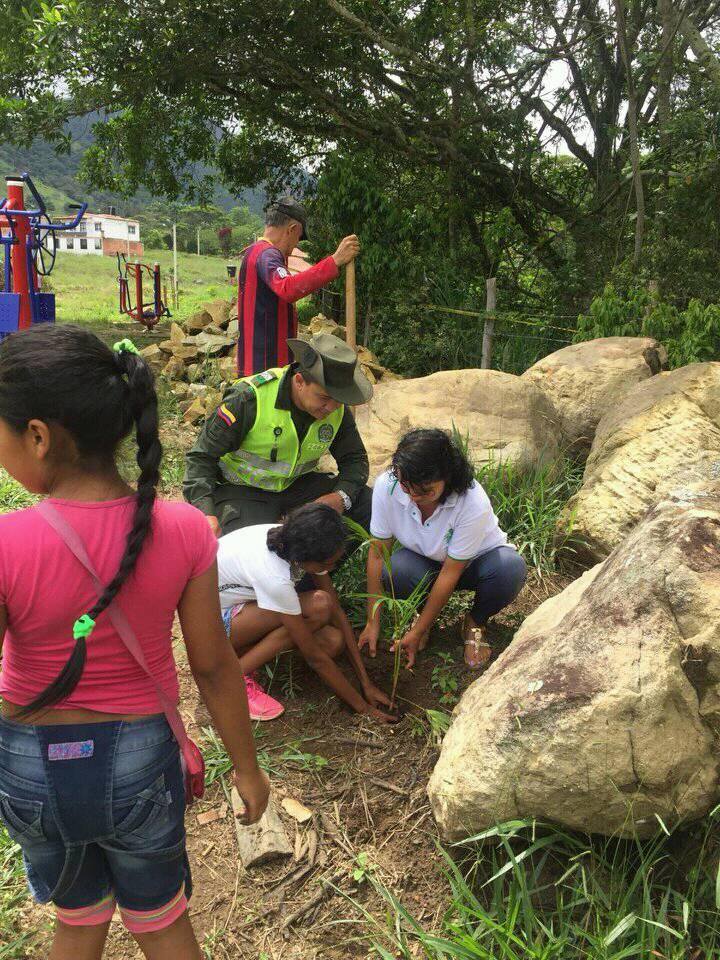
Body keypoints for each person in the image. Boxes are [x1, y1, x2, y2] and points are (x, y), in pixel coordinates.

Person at [0, 326, 269, 960]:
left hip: (29, 765)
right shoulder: (184, 530)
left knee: (77, 921)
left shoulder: (7, 542)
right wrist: (248, 770)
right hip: (140, 760)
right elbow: (213, 666)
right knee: (163, 923)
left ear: (38, 436)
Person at [358, 429, 528, 670]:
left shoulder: (471, 501)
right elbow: (377, 554)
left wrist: (417, 632)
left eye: (425, 490)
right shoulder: (388, 486)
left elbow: (450, 572)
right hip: (424, 562)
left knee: (509, 569)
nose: (414, 496)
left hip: (477, 564)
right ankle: (423, 616)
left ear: (447, 477)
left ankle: (475, 621)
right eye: (407, 487)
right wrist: (372, 621)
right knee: (395, 570)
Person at [218, 502, 395, 722]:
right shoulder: (275, 575)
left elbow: (337, 611)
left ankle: (245, 656)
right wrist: (364, 709)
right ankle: (232, 676)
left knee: (332, 641)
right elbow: (315, 659)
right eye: (328, 564)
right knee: (319, 605)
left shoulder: (295, 540)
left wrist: (365, 682)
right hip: (216, 628)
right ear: (307, 557)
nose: (331, 568)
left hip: (245, 611)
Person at [183, 333, 373, 537]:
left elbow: (355, 459)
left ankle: (321, 556)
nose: (332, 407)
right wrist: (206, 513)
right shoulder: (248, 400)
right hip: (243, 491)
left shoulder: (336, 408)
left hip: (299, 488)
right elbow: (201, 458)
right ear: (299, 381)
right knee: (250, 542)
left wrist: (340, 497)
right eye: (324, 398)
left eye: (339, 400)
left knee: (367, 504)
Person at [237, 194, 359, 377]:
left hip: (260, 364)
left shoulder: (255, 252)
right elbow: (289, 288)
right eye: (298, 238)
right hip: (265, 368)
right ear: (292, 229)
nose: (295, 246)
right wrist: (334, 261)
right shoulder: (267, 254)